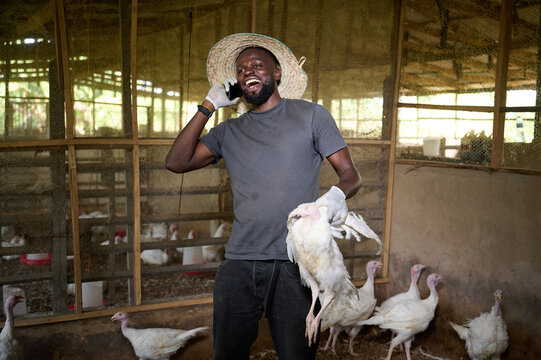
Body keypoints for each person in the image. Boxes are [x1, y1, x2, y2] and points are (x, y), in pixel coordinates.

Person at [165, 33, 362, 360]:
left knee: (296, 354)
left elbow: (351, 175)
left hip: (296, 265)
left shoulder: (312, 116)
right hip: (240, 263)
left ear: (277, 73)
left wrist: (336, 197)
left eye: (257, 65)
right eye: (241, 70)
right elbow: (176, 162)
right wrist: (208, 105)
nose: (248, 72)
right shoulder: (228, 132)